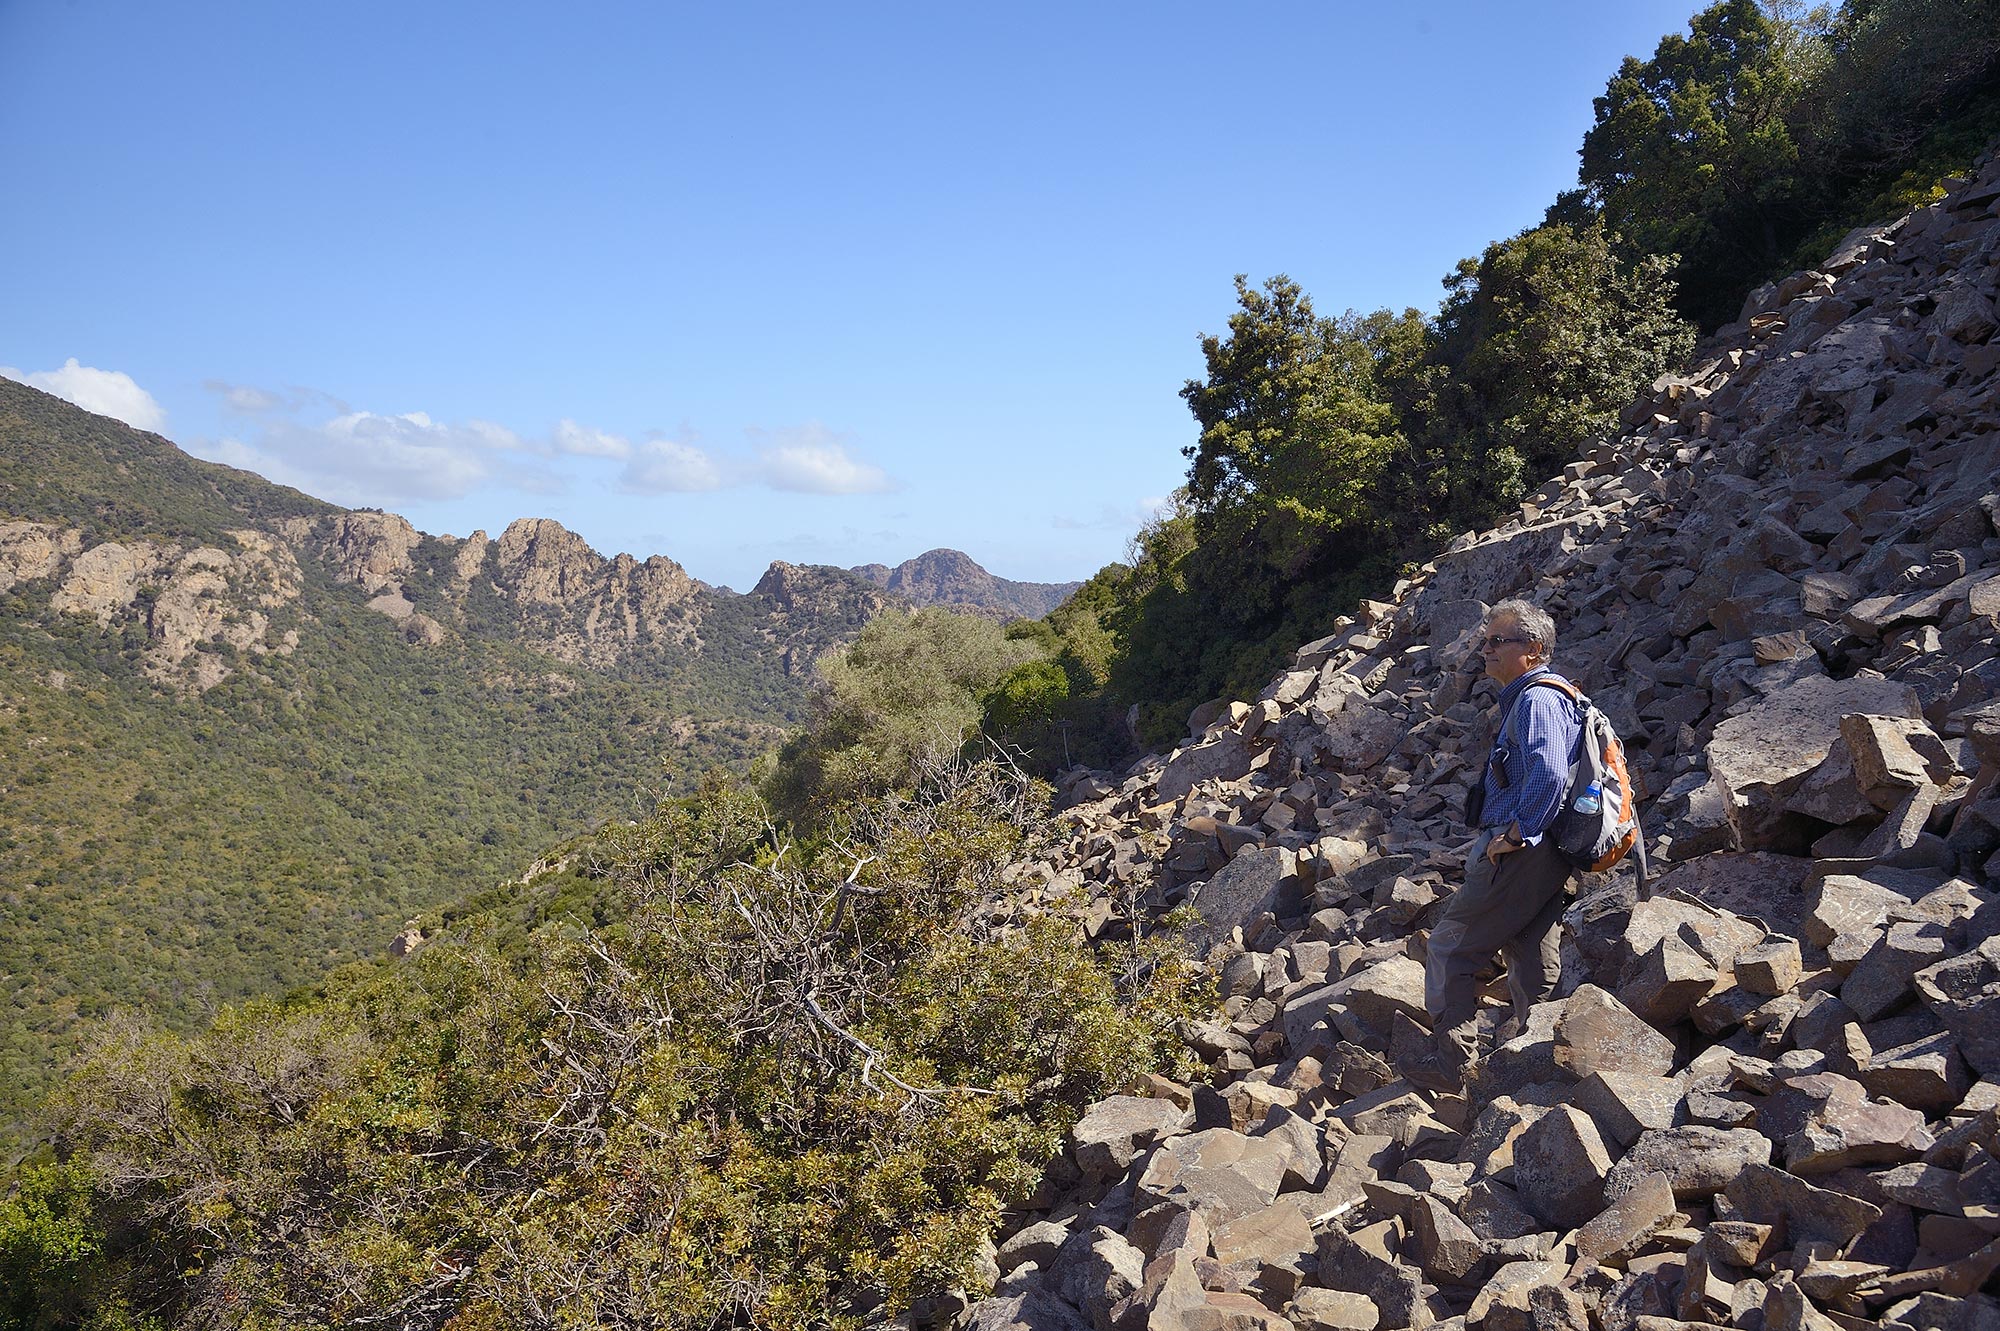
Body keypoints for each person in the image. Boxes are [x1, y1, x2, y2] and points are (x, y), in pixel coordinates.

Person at [1397, 599, 1583, 1095]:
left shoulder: (1537, 700)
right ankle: (1543, 1064)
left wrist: (1518, 833)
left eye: (1498, 641)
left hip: (1523, 848)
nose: (1487, 650)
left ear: (1534, 649)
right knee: (1528, 952)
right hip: (1547, 850)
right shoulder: (1545, 697)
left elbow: (1548, 773)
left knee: (1450, 947)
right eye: (1486, 640)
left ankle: (1455, 1073)